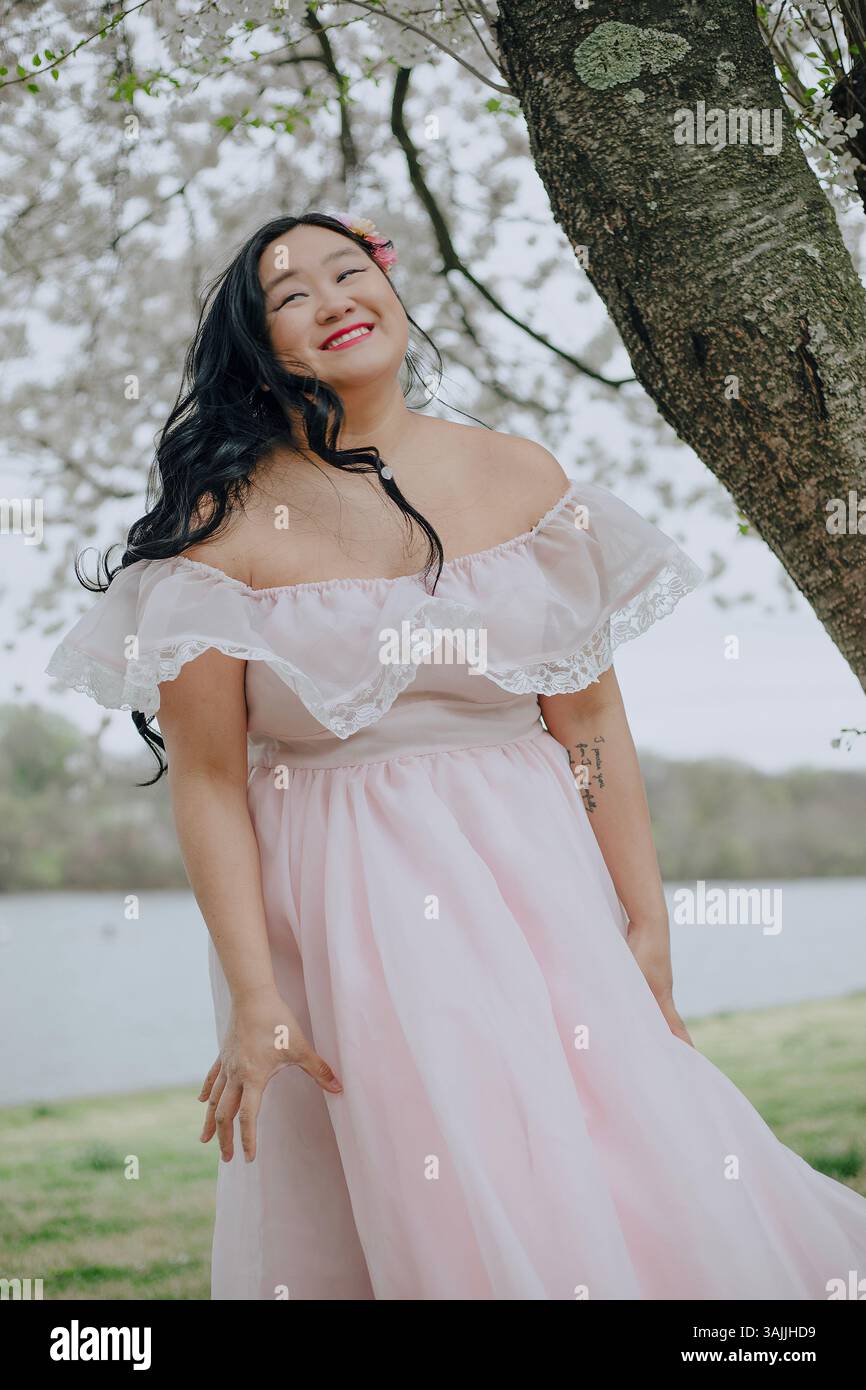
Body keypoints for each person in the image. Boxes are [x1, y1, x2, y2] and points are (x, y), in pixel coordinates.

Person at [46, 211, 866, 1301]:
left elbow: (589, 723)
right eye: (291, 294)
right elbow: (206, 782)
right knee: (424, 1180)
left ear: (391, 292)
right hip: (341, 902)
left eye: (350, 270)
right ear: (258, 344)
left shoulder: (520, 477)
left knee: (622, 1151)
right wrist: (253, 993)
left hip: (535, 877)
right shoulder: (223, 523)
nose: (333, 299)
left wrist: (644, 919)